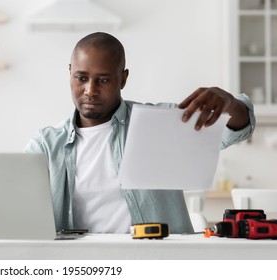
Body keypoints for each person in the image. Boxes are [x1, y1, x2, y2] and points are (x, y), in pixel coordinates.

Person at [24, 32, 255, 234]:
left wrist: (229, 103)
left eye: (103, 80)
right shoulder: (46, 144)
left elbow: (237, 130)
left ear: (123, 78)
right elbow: (17, 205)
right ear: (70, 72)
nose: (90, 90)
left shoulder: (159, 124)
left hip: (153, 261)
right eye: (81, 78)